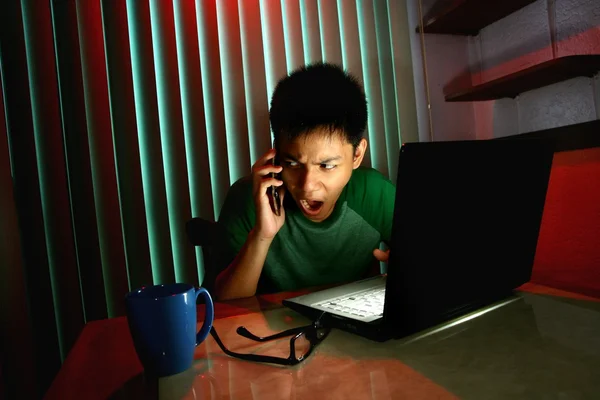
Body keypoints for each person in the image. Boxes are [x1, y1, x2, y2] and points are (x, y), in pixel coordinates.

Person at [213, 62, 396, 300]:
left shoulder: (374, 193)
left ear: (357, 155)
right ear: (276, 153)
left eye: (326, 165)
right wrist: (262, 234)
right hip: (274, 331)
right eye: (292, 164)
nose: (307, 185)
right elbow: (224, 306)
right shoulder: (249, 198)